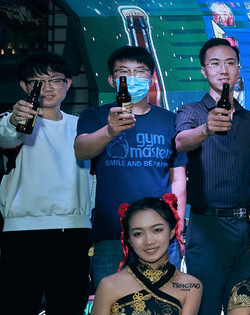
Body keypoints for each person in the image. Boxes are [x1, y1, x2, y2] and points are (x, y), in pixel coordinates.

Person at [0, 51, 94, 315]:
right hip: (24, 234)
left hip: (74, 233)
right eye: (37, 80)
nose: (46, 88)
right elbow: (6, 137)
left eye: (55, 80)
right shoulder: (15, 120)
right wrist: (19, 118)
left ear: (68, 85)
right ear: (24, 86)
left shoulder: (83, 127)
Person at [174, 38, 250, 315]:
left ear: (239, 69)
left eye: (230, 63)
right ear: (203, 70)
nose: (223, 69)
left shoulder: (249, 119)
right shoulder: (192, 112)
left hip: (245, 227)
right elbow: (181, 142)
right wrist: (207, 129)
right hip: (207, 227)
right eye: (215, 63)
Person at [75, 46, 186, 290]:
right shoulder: (95, 116)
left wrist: (177, 228)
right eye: (124, 72)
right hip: (112, 233)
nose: (132, 79)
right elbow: (81, 151)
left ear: (152, 78)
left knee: (164, 303)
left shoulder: (170, 120)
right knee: (111, 305)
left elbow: (177, 178)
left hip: (159, 234)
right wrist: (110, 131)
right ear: (112, 80)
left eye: (140, 72)